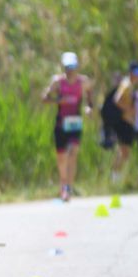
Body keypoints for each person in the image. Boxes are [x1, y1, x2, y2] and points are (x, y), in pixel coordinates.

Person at [42, 52, 93, 201]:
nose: (70, 70)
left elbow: (90, 98)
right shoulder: (57, 82)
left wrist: (89, 108)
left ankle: (68, 188)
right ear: (63, 67)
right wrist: (59, 100)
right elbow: (45, 98)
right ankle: (63, 183)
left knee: (73, 151)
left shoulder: (83, 81)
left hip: (75, 123)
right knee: (61, 158)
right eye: (67, 67)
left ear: (77, 67)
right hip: (61, 123)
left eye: (73, 67)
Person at [111, 61, 138, 181]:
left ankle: (116, 177)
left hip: (128, 122)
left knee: (125, 152)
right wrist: (129, 110)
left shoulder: (131, 84)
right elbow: (117, 100)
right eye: (136, 72)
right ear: (131, 72)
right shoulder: (127, 84)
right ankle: (115, 178)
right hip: (124, 121)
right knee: (123, 151)